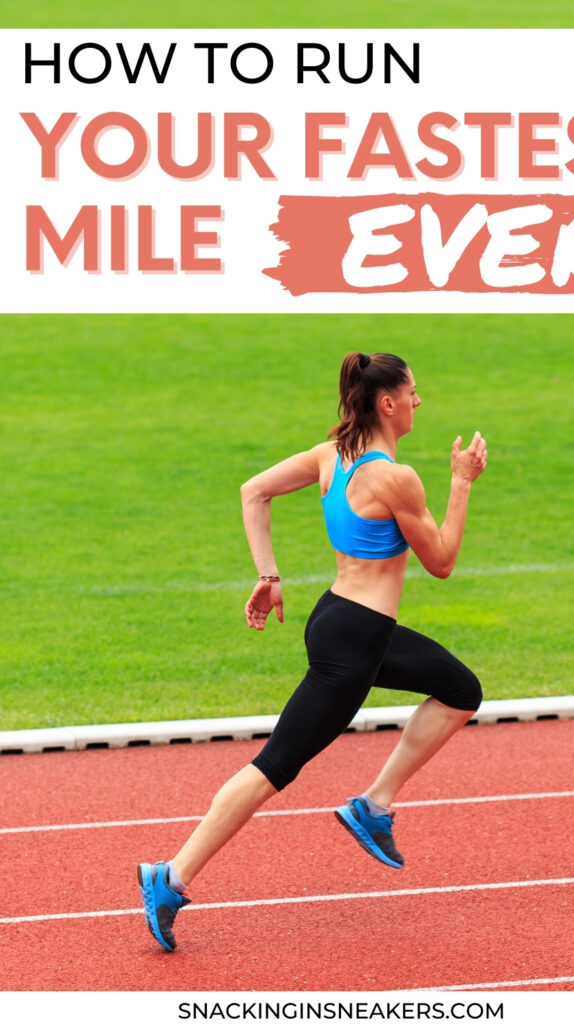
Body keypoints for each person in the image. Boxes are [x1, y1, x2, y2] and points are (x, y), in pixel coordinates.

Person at [137, 351, 487, 952]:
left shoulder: (333, 457)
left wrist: (269, 575)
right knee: (275, 765)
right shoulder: (395, 478)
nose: (418, 402)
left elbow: (255, 492)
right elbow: (443, 562)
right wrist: (461, 484)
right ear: (387, 403)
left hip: (342, 621)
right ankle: (170, 877)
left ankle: (374, 806)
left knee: (461, 690)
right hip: (353, 643)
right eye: (412, 393)